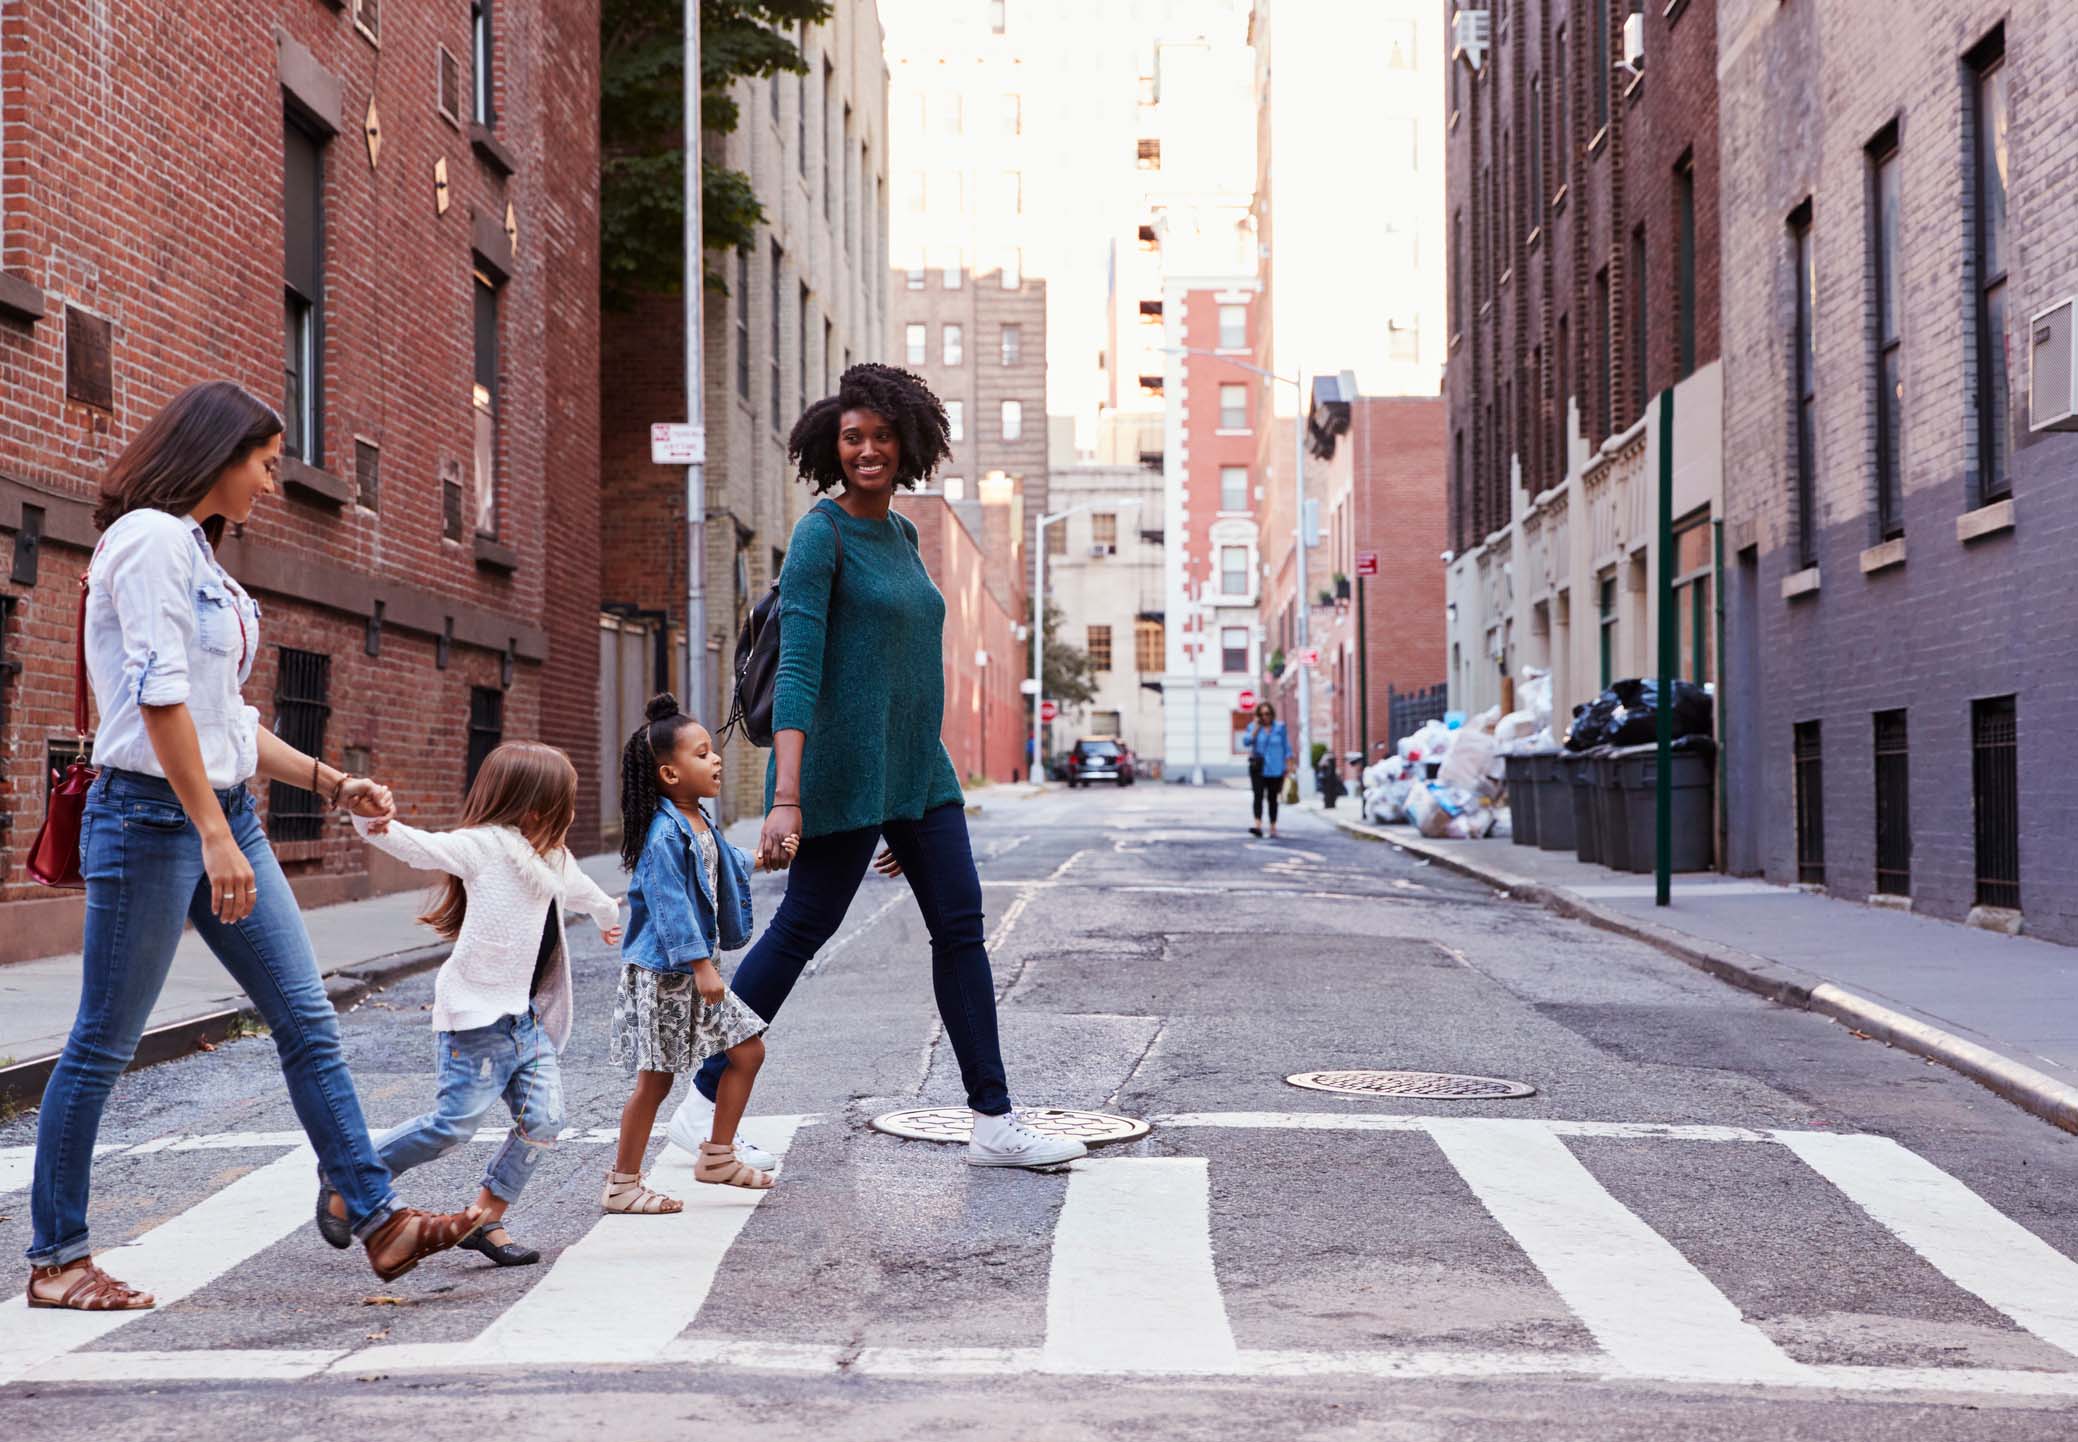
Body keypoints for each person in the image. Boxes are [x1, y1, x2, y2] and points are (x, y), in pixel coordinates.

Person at [27, 381, 478, 1311]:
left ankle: (381, 1219)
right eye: (268, 463)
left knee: (307, 1019)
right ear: (219, 453)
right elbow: (157, 701)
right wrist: (209, 834)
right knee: (104, 1043)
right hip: (156, 821)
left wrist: (326, 781)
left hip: (215, 812)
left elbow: (222, 717)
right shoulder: (151, 540)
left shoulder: (197, 552)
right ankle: (57, 1260)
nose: (273, 481)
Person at [665, 363, 1085, 1171]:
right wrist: (785, 799)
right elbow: (797, 672)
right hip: (843, 774)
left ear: (907, 443)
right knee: (803, 928)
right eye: (853, 437)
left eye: (881, 436)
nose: (867, 450)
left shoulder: (901, 534)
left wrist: (904, 799)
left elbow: (904, 669)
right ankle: (703, 1099)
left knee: (960, 927)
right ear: (834, 445)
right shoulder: (823, 534)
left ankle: (994, 1120)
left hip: (917, 776)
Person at [314, 741, 623, 1268]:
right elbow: (419, 848)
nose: (572, 813)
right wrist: (372, 823)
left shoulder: (554, 858)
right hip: (475, 1022)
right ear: (536, 808)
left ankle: (484, 1219)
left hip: (525, 1024)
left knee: (545, 1121)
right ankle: (351, 1175)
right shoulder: (484, 847)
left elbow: (582, 889)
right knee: (453, 1125)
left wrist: (604, 915)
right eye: (566, 802)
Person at [608, 695, 793, 1211]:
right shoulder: (663, 834)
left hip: (692, 972)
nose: (716, 761)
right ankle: (622, 1184)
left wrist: (760, 858)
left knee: (748, 1050)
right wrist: (701, 966)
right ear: (670, 773)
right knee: (656, 1081)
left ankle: (716, 1154)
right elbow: (669, 908)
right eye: (703, 753)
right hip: (667, 974)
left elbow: (721, 860)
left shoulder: (698, 821)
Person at [1242, 701, 1290, 839]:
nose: (1265, 717)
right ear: (1258, 715)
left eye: (1267, 714)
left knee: (1272, 798)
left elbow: (1286, 747)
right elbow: (1246, 742)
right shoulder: (1252, 727)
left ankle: (1273, 827)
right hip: (1258, 768)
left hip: (1275, 768)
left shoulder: (1280, 728)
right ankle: (1257, 825)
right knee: (1257, 796)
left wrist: (1288, 765)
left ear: (1272, 714)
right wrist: (1256, 728)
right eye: (1261, 714)